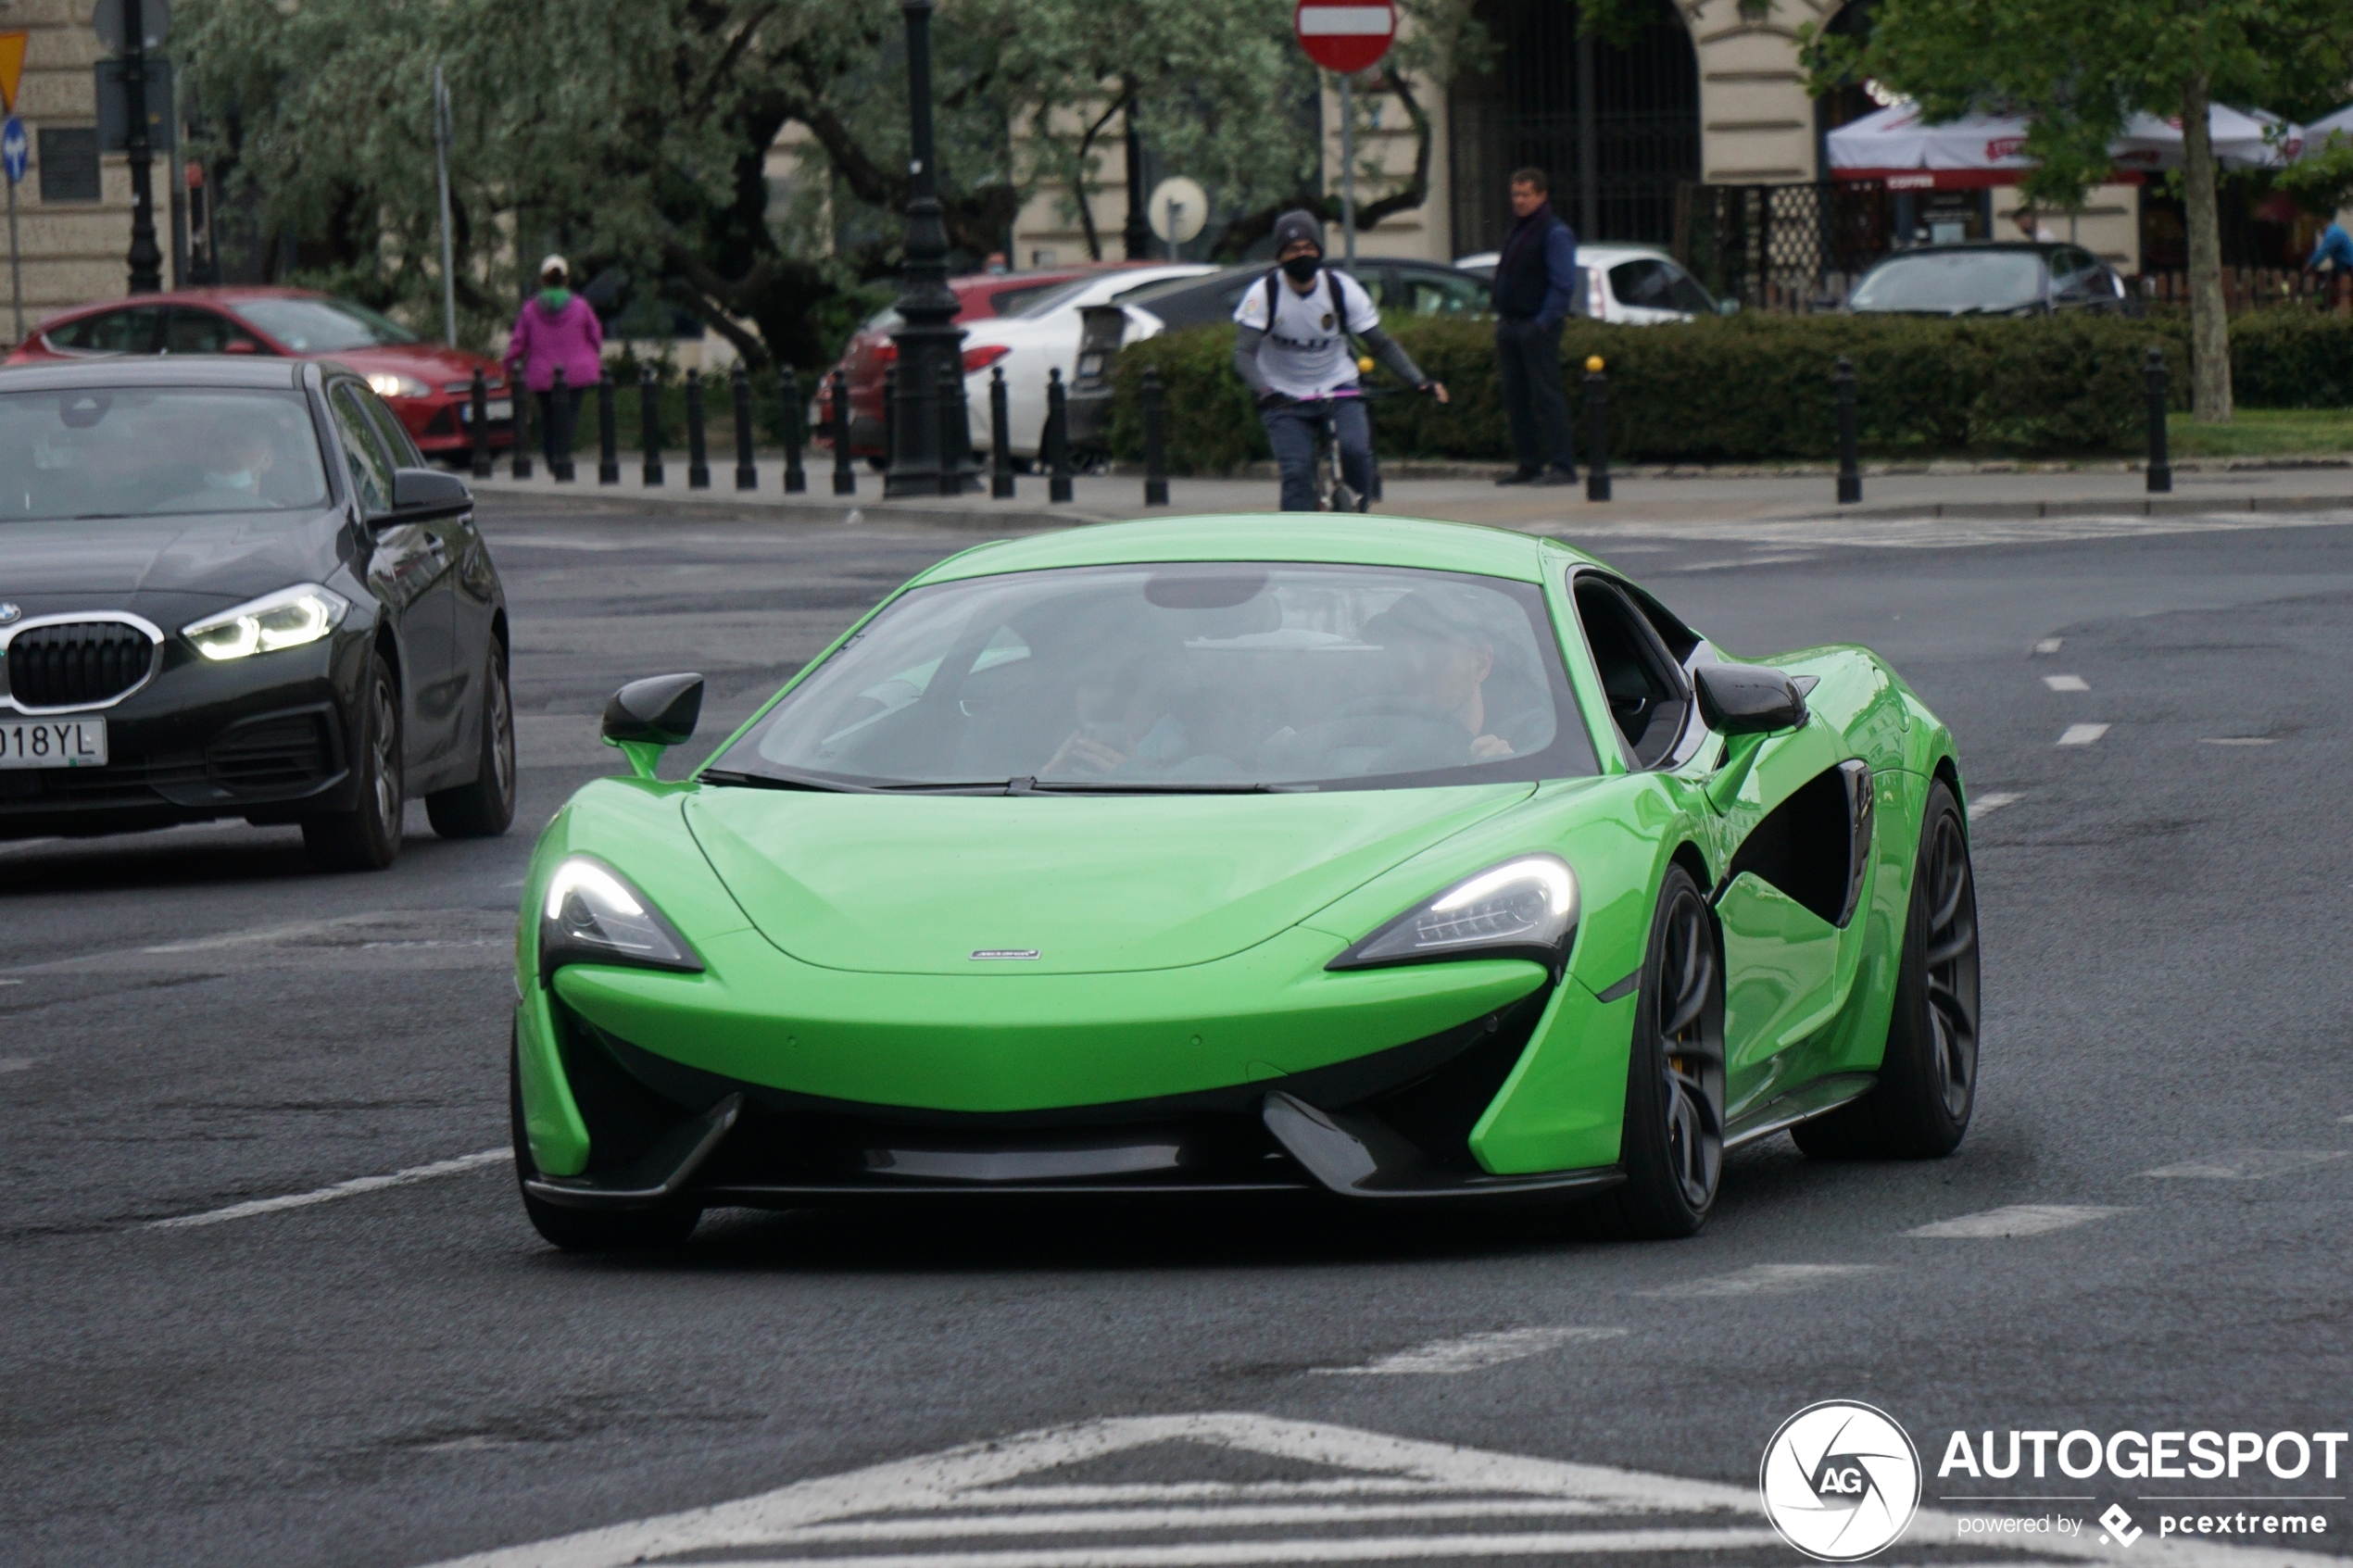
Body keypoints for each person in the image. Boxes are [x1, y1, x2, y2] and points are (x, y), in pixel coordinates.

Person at [1231, 209, 1448, 512]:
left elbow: (1380, 343)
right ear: (1279, 257)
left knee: (1356, 451)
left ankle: (1359, 511)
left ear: (1320, 250)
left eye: (1309, 248)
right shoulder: (1264, 294)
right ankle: (1296, 548)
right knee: (1297, 473)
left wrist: (1419, 380)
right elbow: (1242, 354)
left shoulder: (1341, 289)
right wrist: (1264, 390)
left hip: (1338, 386)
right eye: (1293, 250)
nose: (1302, 255)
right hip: (1285, 396)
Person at [1491, 169, 1580, 487]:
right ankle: (1528, 464)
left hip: (1536, 327)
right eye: (1515, 195)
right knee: (1516, 398)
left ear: (1542, 195)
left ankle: (1562, 465)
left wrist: (1541, 323)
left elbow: (1562, 285)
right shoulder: (1519, 230)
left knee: (1546, 397)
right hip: (1511, 324)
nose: (1519, 201)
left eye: (1526, 194)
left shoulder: (1554, 233)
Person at [505, 255, 604, 470]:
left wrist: (509, 364)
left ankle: (552, 459)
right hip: (577, 372)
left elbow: (519, 341)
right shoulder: (580, 306)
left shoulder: (530, 309)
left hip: (542, 372)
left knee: (548, 417)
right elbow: (595, 335)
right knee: (569, 415)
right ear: (566, 280)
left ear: (543, 280)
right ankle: (564, 456)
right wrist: (593, 355)